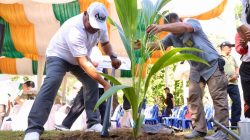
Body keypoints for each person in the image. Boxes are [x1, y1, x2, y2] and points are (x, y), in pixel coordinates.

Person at [24, 2, 121, 140]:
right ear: (86, 14)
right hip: (58, 56)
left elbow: (105, 43)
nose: (94, 29)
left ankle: (93, 123)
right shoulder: (74, 29)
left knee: (92, 83)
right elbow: (84, 64)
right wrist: (105, 84)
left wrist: (113, 56)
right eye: (92, 25)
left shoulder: (100, 24)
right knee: (52, 82)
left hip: (78, 57)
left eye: (97, 27)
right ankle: (33, 129)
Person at [146, 13, 229, 139]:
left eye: (172, 25)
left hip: (212, 64)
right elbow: (159, 45)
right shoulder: (171, 37)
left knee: (218, 99)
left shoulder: (192, 23)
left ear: (178, 21)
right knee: (193, 97)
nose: (174, 32)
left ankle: (222, 132)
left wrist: (162, 27)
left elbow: (184, 27)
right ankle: (199, 129)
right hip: (196, 69)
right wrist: (141, 44)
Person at [55, 46, 108, 131]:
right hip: (89, 83)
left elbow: (95, 63)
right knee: (78, 105)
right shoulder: (88, 49)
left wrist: (83, 62)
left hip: (97, 84)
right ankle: (66, 125)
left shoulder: (94, 49)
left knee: (99, 106)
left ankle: (103, 125)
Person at [220, 41, 241, 128]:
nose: (231, 48)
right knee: (223, 105)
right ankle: (224, 126)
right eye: (229, 46)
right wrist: (228, 78)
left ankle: (235, 125)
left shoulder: (232, 57)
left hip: (234, 84)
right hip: (223, 84)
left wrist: (236, 74)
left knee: (237, 103)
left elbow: (237, 67)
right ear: (223, 47)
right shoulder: (219, 57)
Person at [235, 0, 250, 119]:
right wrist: (244, 45)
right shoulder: (241, 30)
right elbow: (239, 48)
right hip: (246, 66)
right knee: (248, 97)